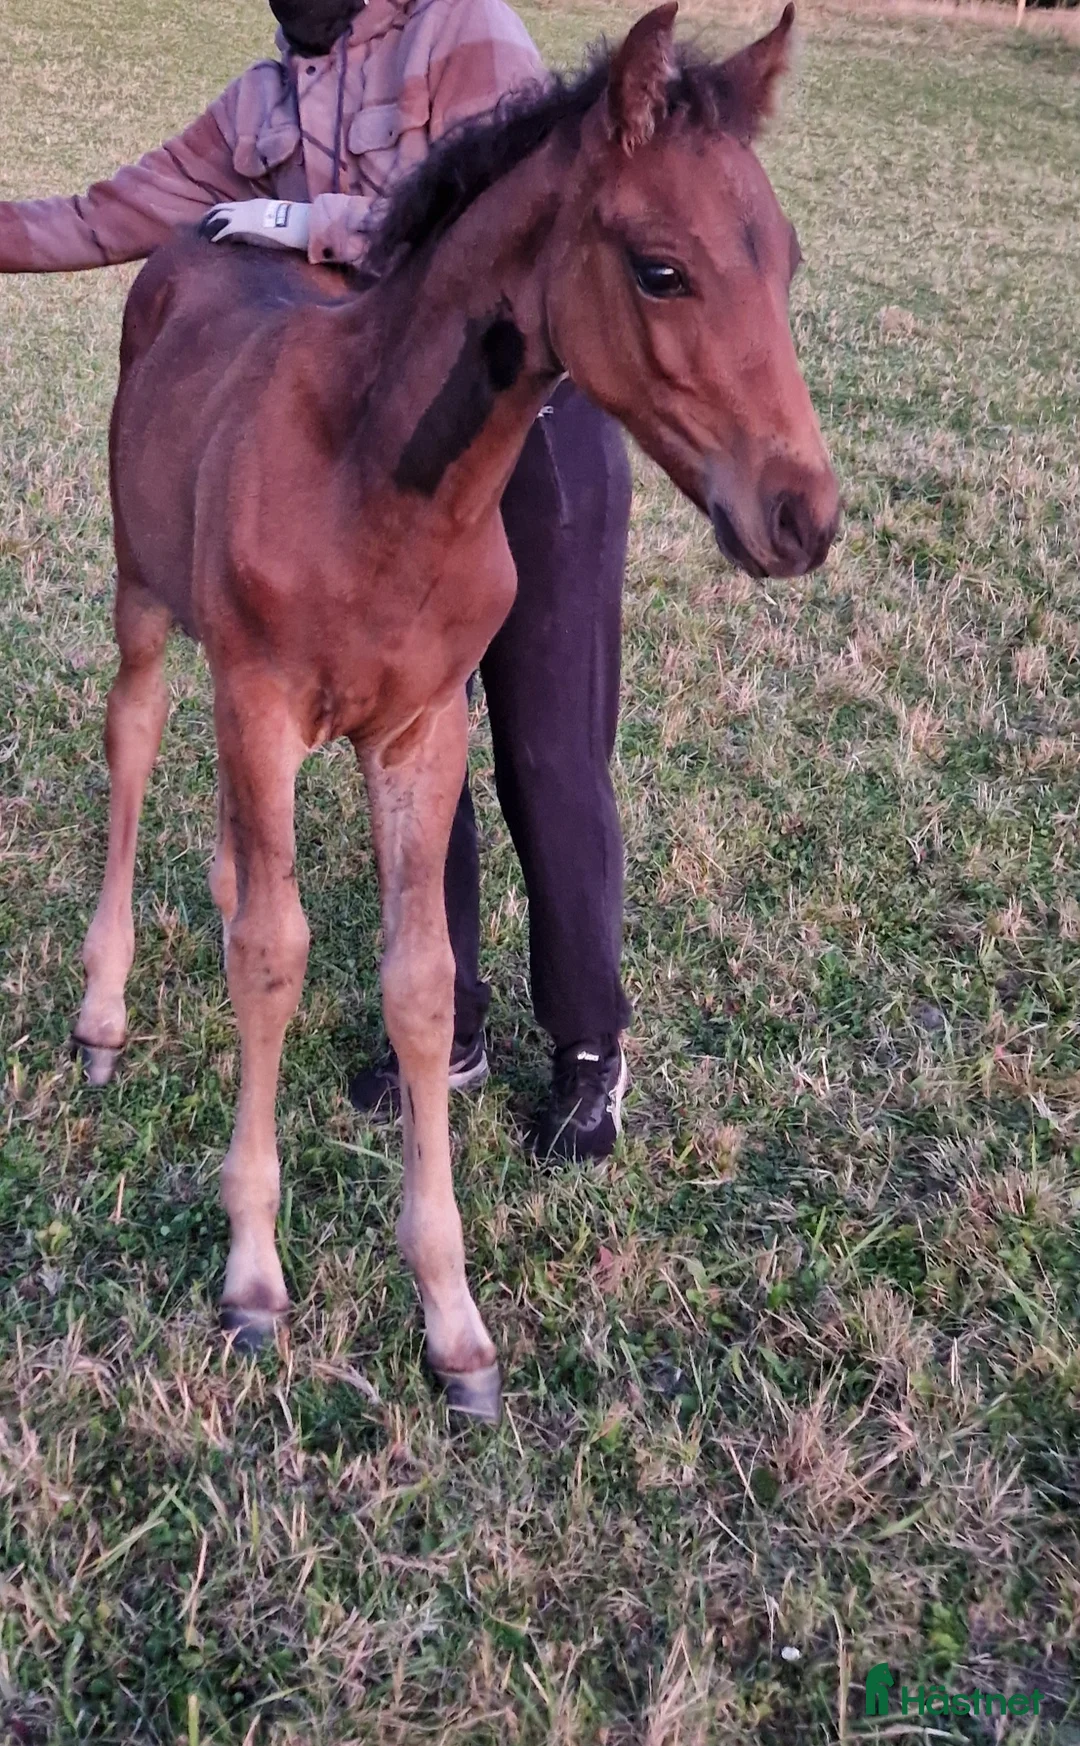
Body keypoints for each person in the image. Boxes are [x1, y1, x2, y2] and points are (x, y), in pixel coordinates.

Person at [0, 0, 634, 1159]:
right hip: (388, 453)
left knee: (545, 748)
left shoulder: (467, 33)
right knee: (413, 725)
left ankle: (590, 1047)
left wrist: (306, 217)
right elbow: (110, 214)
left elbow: (518, 230)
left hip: (534, 428)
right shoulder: (266, 95)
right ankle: (460, 1025)